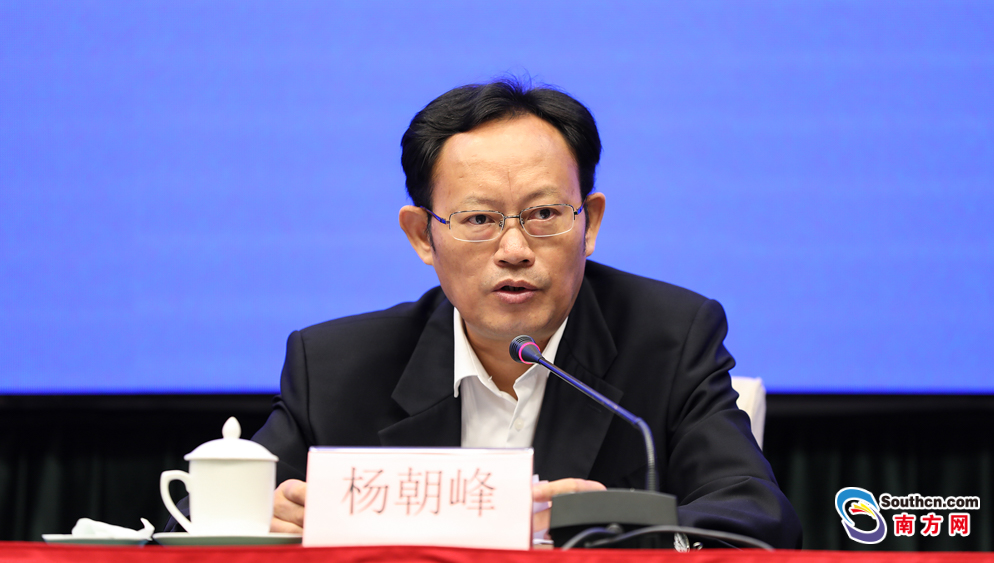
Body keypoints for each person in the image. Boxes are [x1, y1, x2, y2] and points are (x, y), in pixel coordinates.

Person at [253, 78, 802, 548]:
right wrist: (260, 519)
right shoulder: (334, 368)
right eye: (478, 219)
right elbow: (216, 513)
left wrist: (612, 529)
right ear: (422, 235)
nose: (514, 250)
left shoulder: (669, 341)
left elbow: (760, 522)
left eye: (543, 214)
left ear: (589, 223)